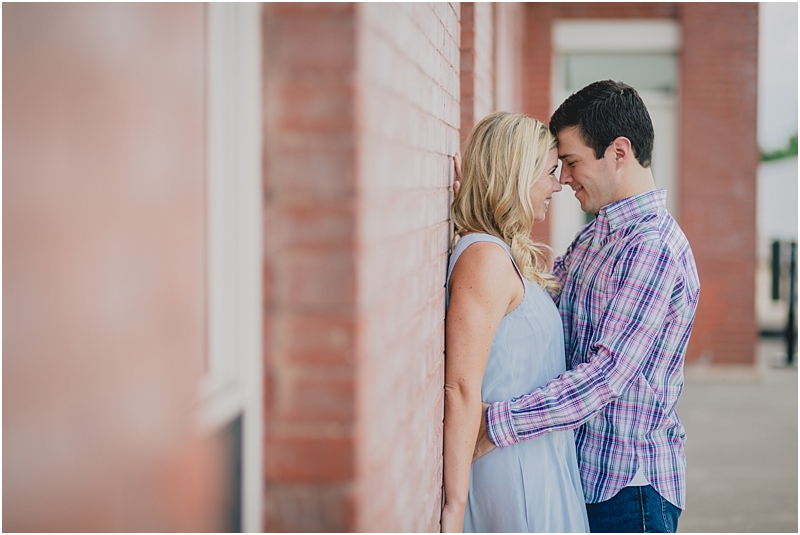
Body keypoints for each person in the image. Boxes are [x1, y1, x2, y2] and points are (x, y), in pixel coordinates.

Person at [469, 80, 701, 533]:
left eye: (572, 162)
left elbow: (605, 376)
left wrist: (493, 423)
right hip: (581, 478)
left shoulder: (652, 248)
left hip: (627, 495)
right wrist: (483, 202)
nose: (564, 178)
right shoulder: (595, 236)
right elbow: (535, 309)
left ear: (619, 152)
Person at [441, 111, 589, 533]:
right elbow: (463, 387)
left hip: (540, 464)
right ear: (515, 176)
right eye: (548, 172)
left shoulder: (497, 253)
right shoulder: (486, 259)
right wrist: (455, 506)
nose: (558, 185)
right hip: (513, 477)